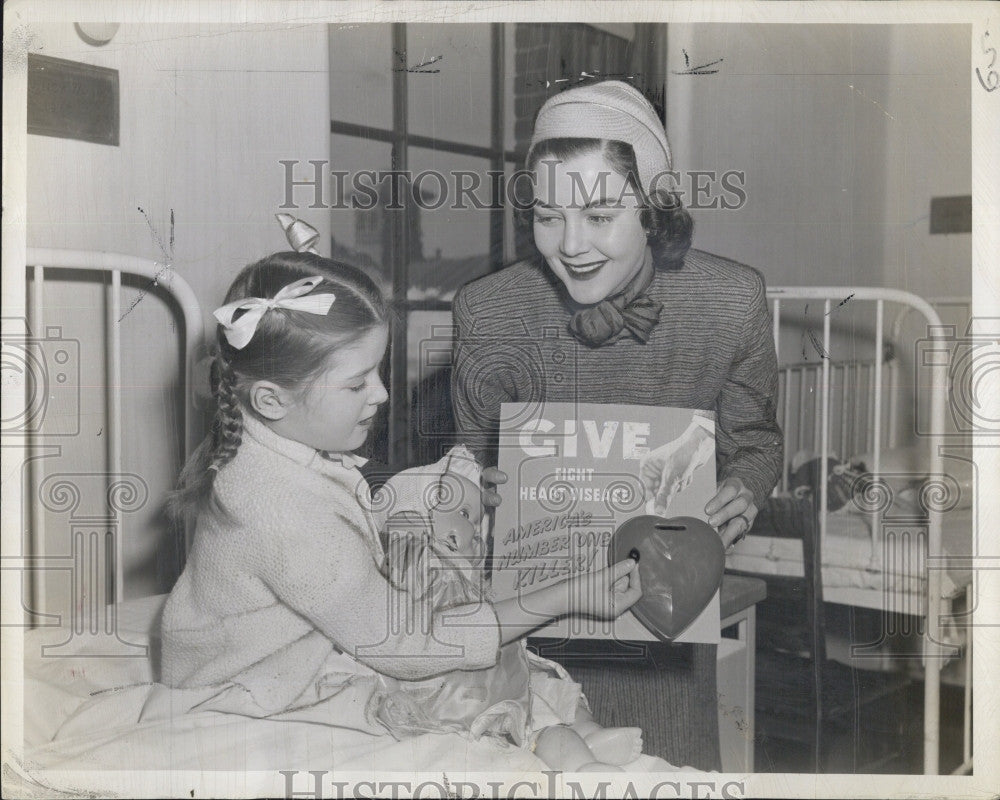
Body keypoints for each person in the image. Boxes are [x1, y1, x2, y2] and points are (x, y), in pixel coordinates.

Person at [160, 252, 642, 748]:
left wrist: (444, 493)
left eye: (377, 372)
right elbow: (404, 643)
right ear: (271, 399)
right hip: (252, 691)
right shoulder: (281, 514)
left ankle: (573, 733)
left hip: (285, 649)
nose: (383, 394)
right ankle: (558, 736)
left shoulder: (270, 447)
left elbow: (356, 509)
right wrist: (566, 597)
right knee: (462, 679)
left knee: (484, 656)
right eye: (357, 383)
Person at [450, 80, 783, 768]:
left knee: (664, 772)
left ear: (655, 210)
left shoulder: (729, 300)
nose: (570, 245)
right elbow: (462, 472)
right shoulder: (488, 311)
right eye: (548, 216)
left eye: (601, 215)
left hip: (662, 625)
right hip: (527, 640)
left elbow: (756, 444)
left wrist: (744, 490)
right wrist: (471, 492)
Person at [373, 445, 642, 771]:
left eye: (475, 520)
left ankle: (587, 752)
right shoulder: (413, 564)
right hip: (450, 690)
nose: (475, 529)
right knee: (539, 715)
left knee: (549, 703)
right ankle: (582, 754)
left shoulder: (469, 581)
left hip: (499, 684)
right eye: (462, 514)